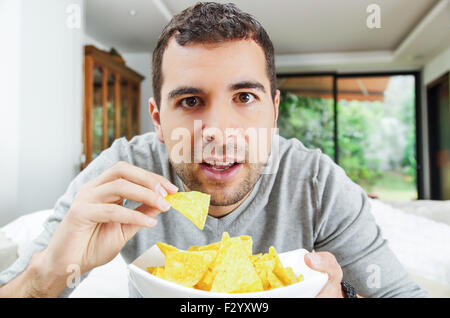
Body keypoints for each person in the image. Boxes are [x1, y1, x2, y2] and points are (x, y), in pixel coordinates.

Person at [0, 2, 426, 298]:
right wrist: (47, 275)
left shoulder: (317, 184)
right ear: (158, 118)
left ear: (274, 112)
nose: (219, 132)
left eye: (244, 97)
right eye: (190, 101)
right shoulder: (122, 174)